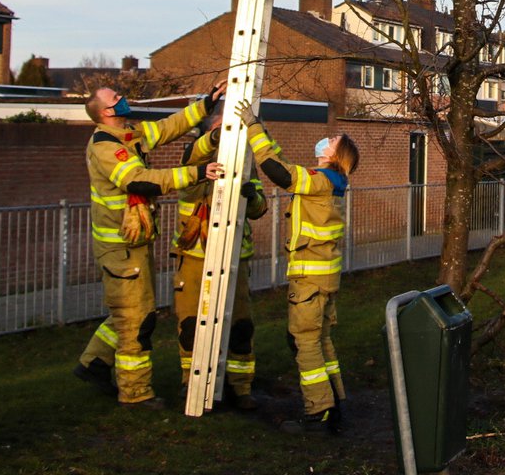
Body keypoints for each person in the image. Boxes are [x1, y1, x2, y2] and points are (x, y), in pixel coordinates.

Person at [74, 83, 228, 407]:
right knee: (137, 319)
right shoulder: (105, 146)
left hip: (134, 244)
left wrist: (206, 104)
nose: (122, 98)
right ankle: (135, 392)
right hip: (121, 248)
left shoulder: (130, 133)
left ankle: (94, 363)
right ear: (105, 112)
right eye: (115, 98)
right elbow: (140, 179)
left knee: (125, 310)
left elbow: (166, 127)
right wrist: (198, 172)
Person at [242, 102, 358, 433]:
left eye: (334, 139)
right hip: (325, 276)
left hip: (309, 278)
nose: (329, 138)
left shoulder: (320, 180)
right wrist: (261, 128)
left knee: (303, 340)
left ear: (336, 154)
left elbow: (278, 171)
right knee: (321, 339)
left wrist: (252, 129)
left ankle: (317, 410)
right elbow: (283, 162)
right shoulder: (330, 180)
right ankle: (335, 400)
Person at [173, 115, 268, 409]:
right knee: (191, 323)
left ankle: (241, 388)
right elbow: (190, 172)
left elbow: (260, 207)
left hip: (235, 256)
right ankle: (193, 381)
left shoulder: (245, 162)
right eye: (220, 129)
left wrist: (252, 197)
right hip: (194, 256)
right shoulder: (193, 160)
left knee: (240, 323)